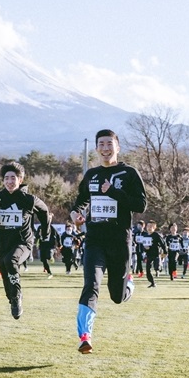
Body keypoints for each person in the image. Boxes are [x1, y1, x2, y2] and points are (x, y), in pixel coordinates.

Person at [70, 129, 147, 354]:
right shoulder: (91, 175)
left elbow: (141, 205)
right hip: (95, 240)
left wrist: (113, 192)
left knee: (117, 296)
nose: (105, 148)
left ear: (117, 147)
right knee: (91, 285)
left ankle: (128, 284)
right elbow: (80, 201)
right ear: (96, 148)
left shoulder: (129, 173)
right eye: (101, 144)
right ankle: (85, 337)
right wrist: (75, 214)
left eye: (109, 144)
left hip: (119, 242)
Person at [0, 161, 51, 319]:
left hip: (23, 242)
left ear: (20, 180)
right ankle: (13, 298)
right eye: (6, 178)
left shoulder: (28, 199)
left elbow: (44, 211)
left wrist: (45, 231)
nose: (9, 181)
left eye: (13, 178)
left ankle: (17, 297)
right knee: (6, 276)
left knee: (11, 261)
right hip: (3, 243)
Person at [142, 221, 166, 288]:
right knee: (147, 271)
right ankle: (152, 283)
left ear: (154, 227)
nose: (149, 228)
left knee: (157, 267)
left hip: (156, 254)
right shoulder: (145, 235)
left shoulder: (156, 235)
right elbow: (143, 246)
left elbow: (163, 244)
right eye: (148, 226)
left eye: (151, 226)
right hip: (149, 255)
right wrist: (145, 248)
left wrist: (165, 252)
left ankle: (159, 268)